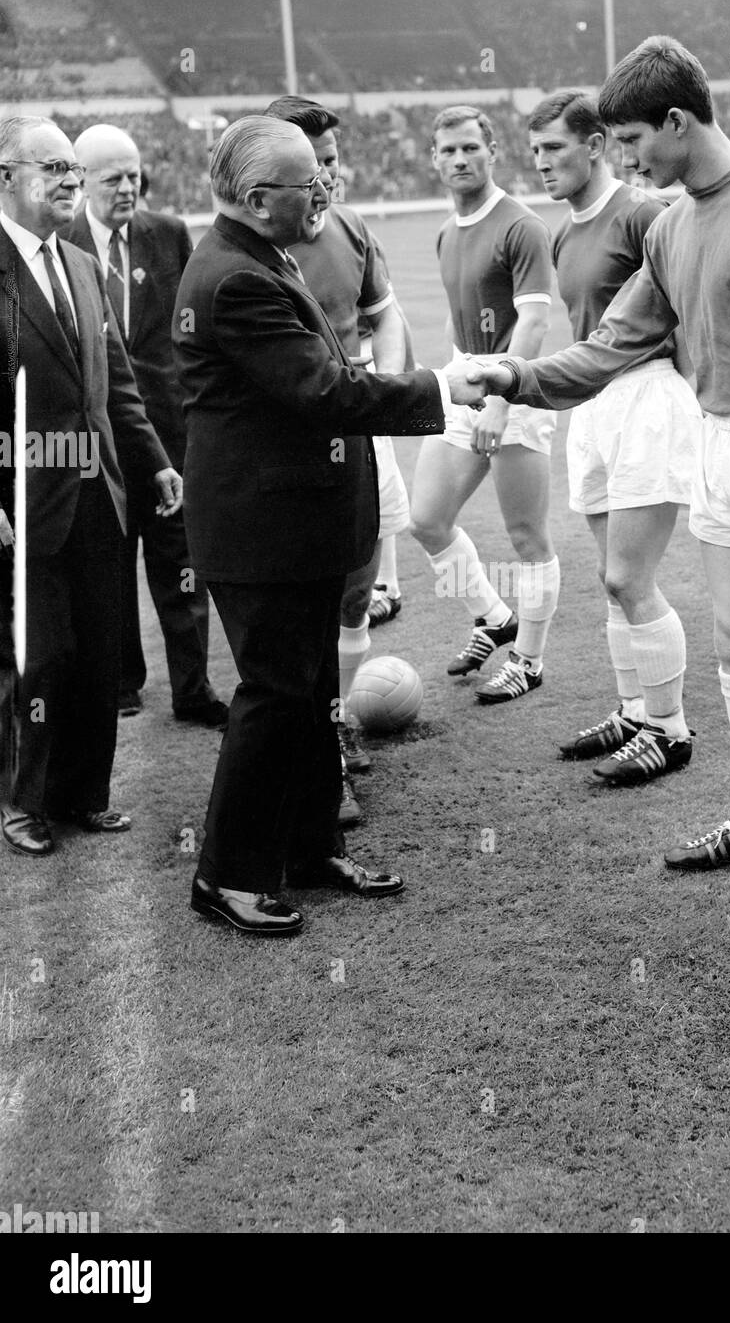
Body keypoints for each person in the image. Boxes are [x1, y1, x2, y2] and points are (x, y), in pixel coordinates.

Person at [462, 38, 730, 922]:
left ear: (677, 122)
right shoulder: (672, 225)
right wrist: (517, 378)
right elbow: (613, 343)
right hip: (716, 444)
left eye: (628, 140)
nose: (622, 159)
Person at [172, 115, 478, 937]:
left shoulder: (260, 256)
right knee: (272, 697)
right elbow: (326, 393)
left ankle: (307, 851)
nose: (325, 191)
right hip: (261, 535)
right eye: (310, 182)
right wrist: (442, 389)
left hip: (294, 526)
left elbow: (329, 378)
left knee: (308, 695)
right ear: (257, 197)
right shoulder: (236, 279)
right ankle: (226, 876)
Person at [0, 116, 182, 856]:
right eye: (53, 167)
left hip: (98, 492)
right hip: (22, 503)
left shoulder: (80, 266)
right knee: (37, 656)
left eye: (76, 168)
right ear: (6, 177)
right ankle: (24, 801)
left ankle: (85, 794)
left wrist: (155, 461)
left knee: (100, 651)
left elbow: (118, 389)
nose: (72, 181)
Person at [528, 91, 701, 786]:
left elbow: (684, 314)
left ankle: (670, 730)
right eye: (534, 151)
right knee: (610, 583)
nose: (541, 164)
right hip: (593, 407)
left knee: (631, 576)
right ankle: (632, 711)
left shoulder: (643, 213)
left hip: (647, 398)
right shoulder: (562, 231)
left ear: (595, 145)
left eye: (554, 149)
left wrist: (693, 403)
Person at [262, 96, 413, 821]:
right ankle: (310, 748)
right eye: (311, 166)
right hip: (292, 444)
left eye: (330, 163)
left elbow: (384, 311)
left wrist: (386, 384)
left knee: (356, 594)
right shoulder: (262, 245)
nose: (325, 179)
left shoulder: (350, 228)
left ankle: (338, 737)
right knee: (304, 605)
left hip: (357, 428)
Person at [66, 123, 227, 728]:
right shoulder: (64, 240)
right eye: (114, 179)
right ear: (83, 182)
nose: (128, 188)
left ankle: (193, 688)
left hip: (169, 429)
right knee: (109, 559)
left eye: (135, 176)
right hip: (99, 436)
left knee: (181, 561)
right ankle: (122, 680)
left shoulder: (168, 233)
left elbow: (194, 327)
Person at [409, 106, 560, 705]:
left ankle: (530, 659)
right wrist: (453, 381)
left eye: (470, 147)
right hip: (464, 386)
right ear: (434, 160)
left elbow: (536, 318)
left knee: (527, 536)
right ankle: (494, 617)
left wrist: (502, 398)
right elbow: (461, 313)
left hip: (514, 391)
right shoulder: (447, 232)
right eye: (447, 151)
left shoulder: (521, 226)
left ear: (493, 150)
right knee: (425, 519)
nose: (459, 160)